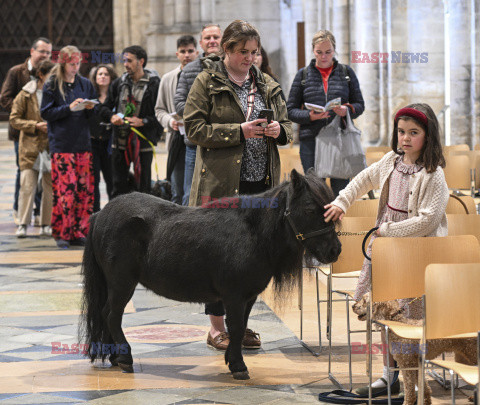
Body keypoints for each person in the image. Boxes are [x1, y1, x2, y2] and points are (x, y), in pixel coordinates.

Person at [323, 103, 449, 395]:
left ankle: (410, 379)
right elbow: (362, 179)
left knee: (407, 316)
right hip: (386, 252)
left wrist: (388, 230)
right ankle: (388, 374)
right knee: (384, 313)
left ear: (428, 136)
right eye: (401, 131)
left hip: (416, 254)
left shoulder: (434, 175)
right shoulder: (391, 160)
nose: (405, 138)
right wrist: (342, 201)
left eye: (413, 133)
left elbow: (427, 222)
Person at [184, 19, 293, 351]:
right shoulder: (207, 82)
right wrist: (238, 132)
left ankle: (240, 324)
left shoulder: (267, 84)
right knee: (220, 260)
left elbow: (288, 125)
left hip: (260, 186)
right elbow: (193, 129)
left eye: (254, 52)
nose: (249, 58)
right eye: (243, 52)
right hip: (221, 186)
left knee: (254, 262)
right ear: (225, 50)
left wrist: (279, 131)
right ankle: (217, 329)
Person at [287, 30, 365, 197]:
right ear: (313, 51)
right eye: (319, 52)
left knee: (341, 192)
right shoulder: (303, 75)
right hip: (311, 140)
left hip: (340, 139)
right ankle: (317, 224)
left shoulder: (346, 73)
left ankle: (340, 223)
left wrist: (347, 111)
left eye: (328, 52)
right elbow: (290, 110)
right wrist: (309, 116)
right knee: (314, 192)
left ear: (334, 50)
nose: (324, 57)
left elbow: (360, 105)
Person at [40, 45, 96, 249]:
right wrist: (68, 108)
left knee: (84, 191)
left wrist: (90, 108)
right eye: (72, 64)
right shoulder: (53, 84)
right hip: (62, 145)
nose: (75, 67)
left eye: (78, 63)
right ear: (63, 63)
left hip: (82, 144)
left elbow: (91, 116)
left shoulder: (84, 83)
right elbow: (46, 113)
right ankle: (62, 232)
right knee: (66, 191)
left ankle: (79, 231)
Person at [0, 37, 52, 226]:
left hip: (45, 135)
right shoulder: (16, 71)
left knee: (44, 172)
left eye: (48, 52)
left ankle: (39, 212)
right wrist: (24, 110)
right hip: (22, 134)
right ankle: (18, 210)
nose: (44, 55)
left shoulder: (51, 76)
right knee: (25, 173)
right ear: (32, 51)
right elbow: (5, 98)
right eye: (42, 51)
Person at [99, 46, 162, 197]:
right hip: (120, 143)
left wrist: (144, 121)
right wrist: (112, 117)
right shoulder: (119, 83)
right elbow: (104, 108)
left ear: (141, 61)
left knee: (144, 186)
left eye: (129, 61)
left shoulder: (154, 84)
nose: (125, 64)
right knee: (118, 186)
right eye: (124, 60)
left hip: (143, 143)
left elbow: (160, 113)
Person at [174, 23, 222, 206]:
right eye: (207, 38)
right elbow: (178, 103)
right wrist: (204, 112)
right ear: (201, 43)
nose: (212, 41)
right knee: (190, 195)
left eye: (215, 37)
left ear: (223, 40)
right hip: (195, 143)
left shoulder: (232, 67)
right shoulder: (189, 70)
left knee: (221, 196)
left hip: (225, 143)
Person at [10, 60, 55, 238]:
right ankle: (22, 223)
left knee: (49, 187)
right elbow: (14, 119)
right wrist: (35, 125)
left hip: (50, 146)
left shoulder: (56, 93)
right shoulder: (25, 94)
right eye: (51, 76)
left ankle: (46, 223)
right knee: (27, 186)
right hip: (29, 147)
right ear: (42, 75)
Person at [155, 35, 199, 204]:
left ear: (196, 52)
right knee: (177, 190)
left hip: (196, 138)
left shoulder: (202, 75)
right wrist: (169, 121)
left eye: (190, 51)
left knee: (193, 191)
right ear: (177, 54)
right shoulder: (168, 78)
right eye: (183, 51)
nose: (186, 55)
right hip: (176, 139)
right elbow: (159, 109)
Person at [88, 64, 118, 212]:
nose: (103, 76)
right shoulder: (90, 97)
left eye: (106, 74)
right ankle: (95, 213)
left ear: (111, 77)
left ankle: (112, 213)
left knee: (111, 179)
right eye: (99, 74)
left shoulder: (116, 97)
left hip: (110, 143)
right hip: (93, 142)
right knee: (93, 181)